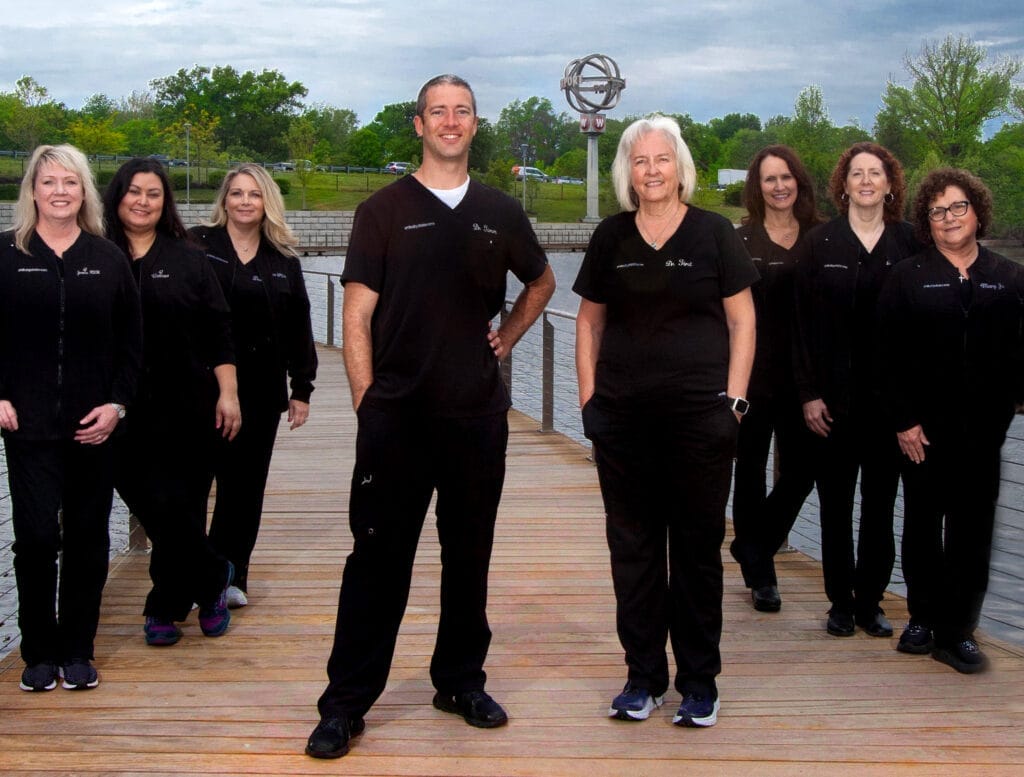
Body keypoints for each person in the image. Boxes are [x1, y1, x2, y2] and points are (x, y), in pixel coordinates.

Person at [306, 74, 555, 759]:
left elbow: (543, 280)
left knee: (468, 556)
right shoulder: (383, 211)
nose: (450, 121)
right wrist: (367, 401)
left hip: (476, 414)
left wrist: (507, 336)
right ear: (418, 124)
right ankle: (346, 703)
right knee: (378, 559)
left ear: (476, 125)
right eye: (438, 111)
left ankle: (459, 680)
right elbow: (356, 314)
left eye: (462, 112)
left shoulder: (500, 211)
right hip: (398, 416)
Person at [574, 115, 757, 728]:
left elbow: (743, 322)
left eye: (662, 159)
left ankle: (699, 682)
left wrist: (734, 402)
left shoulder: (714, 234)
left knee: (698, 552)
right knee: (634, 550)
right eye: (641, 160)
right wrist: (588, 402)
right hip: (623, 421)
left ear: (680, 167)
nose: (651, 170)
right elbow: (588, 322)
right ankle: (643, 678)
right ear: (627, 170)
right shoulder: (611, 238)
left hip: (700, 421)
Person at [0, 144, 142, 691]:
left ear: (84, 192)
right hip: (28, 428)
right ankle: (38, 651)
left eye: (71, 182)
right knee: (35, 538)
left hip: (94, 427)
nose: (60, 191)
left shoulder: (107, 259)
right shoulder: (7, 257)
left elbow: (132, 344)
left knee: (87, 538)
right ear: (32, 191)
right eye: (49, 182)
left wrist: (117, 404)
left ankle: (79, 648)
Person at [878, 168, 1024, 673]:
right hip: (922, 431)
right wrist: (903, 420)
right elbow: (887, 356)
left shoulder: (1010, 278)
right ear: (927, 221)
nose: (949, 218)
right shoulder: (907, 277)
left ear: (977, 211)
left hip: (984, 431)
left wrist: (1011, 404)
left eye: (958, 207)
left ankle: (957, 630)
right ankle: (921, 617)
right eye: (938, 211)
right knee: (921, 524)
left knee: (973, 531)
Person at [103, 158, 240, 646]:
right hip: (119, 411)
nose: (142, 201)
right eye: (134, 191)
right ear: (117, 196)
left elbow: (219, 330)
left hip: (188, 406)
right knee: (156, 505)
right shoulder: (97, 254)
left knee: (180, 507)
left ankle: (163, 606)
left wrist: (229, 392)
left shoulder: (188, 257)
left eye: (154, 193)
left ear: (166, 202)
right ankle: (213, 575)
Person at [792, 142, 920, 638]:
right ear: (842, 185)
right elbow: (800, 326)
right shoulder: (820, 244)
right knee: (836, 504)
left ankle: (871, 602)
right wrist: (807, 393)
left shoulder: (911, 243)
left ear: (890, 185)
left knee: (881, 506)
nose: (866, 181)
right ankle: (839, 604)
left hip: (889, 408)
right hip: (831, 403)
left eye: (876, 173)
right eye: (856, 173)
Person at [189, 164, 317, 609]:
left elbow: (300, 325)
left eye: (255, 195)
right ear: (223, 199)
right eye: (237, 193)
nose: (245, 202)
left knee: (243, 491)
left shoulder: (283, 261)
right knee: (190, 486)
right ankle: (188, 573)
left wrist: (302, 387)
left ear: (267, 203)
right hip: (198, 389)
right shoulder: (195, 245)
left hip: (260, 393)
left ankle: (230, 575)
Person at [729, 146, 823, 613]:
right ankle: (761, 576)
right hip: (752, 375)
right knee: (747, 471)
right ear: (757, 187)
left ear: (798, 182)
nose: (779, 186)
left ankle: (756, 543)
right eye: (769, 179)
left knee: (803, 471)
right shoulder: (741, 240)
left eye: (786, 177)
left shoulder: (822, 238)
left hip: (807, 381)